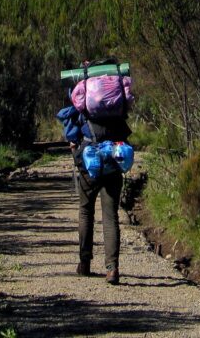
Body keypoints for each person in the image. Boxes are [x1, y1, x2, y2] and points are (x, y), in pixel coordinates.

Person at [69, 112, 130, 285]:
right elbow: (125, 137)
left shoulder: (84, 107)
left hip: (89, 166)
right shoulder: (115, 107)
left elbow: (72, 139)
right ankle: (112, 269)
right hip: (112, 165)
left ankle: (85, 263)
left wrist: (76, 156)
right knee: (110, 216)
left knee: (86, 211)